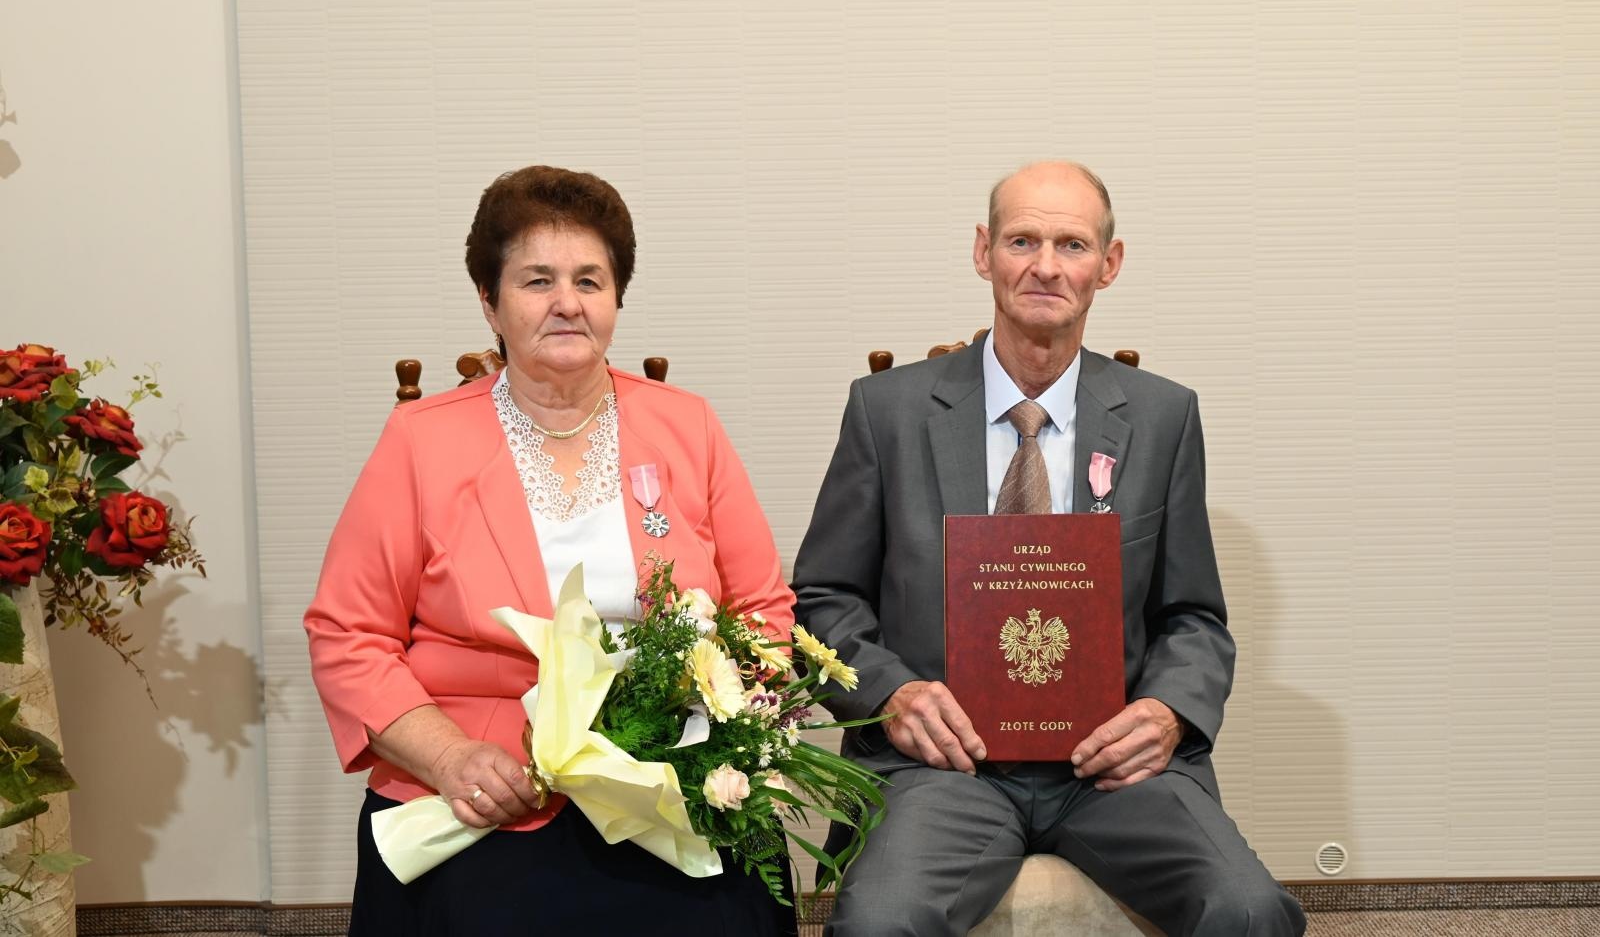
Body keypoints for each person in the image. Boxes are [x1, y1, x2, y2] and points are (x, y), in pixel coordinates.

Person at [792, 161, 1304, 936]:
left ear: (1110, 263)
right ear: (982, 251)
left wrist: (1166, 712)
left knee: (1251, 910)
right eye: (1022, 239)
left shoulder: (1163, 419)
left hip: (1111, 771)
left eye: (1071, 244)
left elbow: (1194, 615)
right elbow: (825, 599)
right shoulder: (886, 412)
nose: (1044, 265)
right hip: (945, 768)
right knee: (879, 922)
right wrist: (894, 695)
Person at [305, 166, 797, 936]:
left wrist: (711, 730)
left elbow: (763, 611)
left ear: (616, 299)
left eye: (589, 280)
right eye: (538, 280)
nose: (567, 302)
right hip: (489, 789)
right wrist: (449, 758)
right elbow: (347, 635)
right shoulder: (421, 441)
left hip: (671, 776)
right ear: (489, 302)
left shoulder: (688, 426)